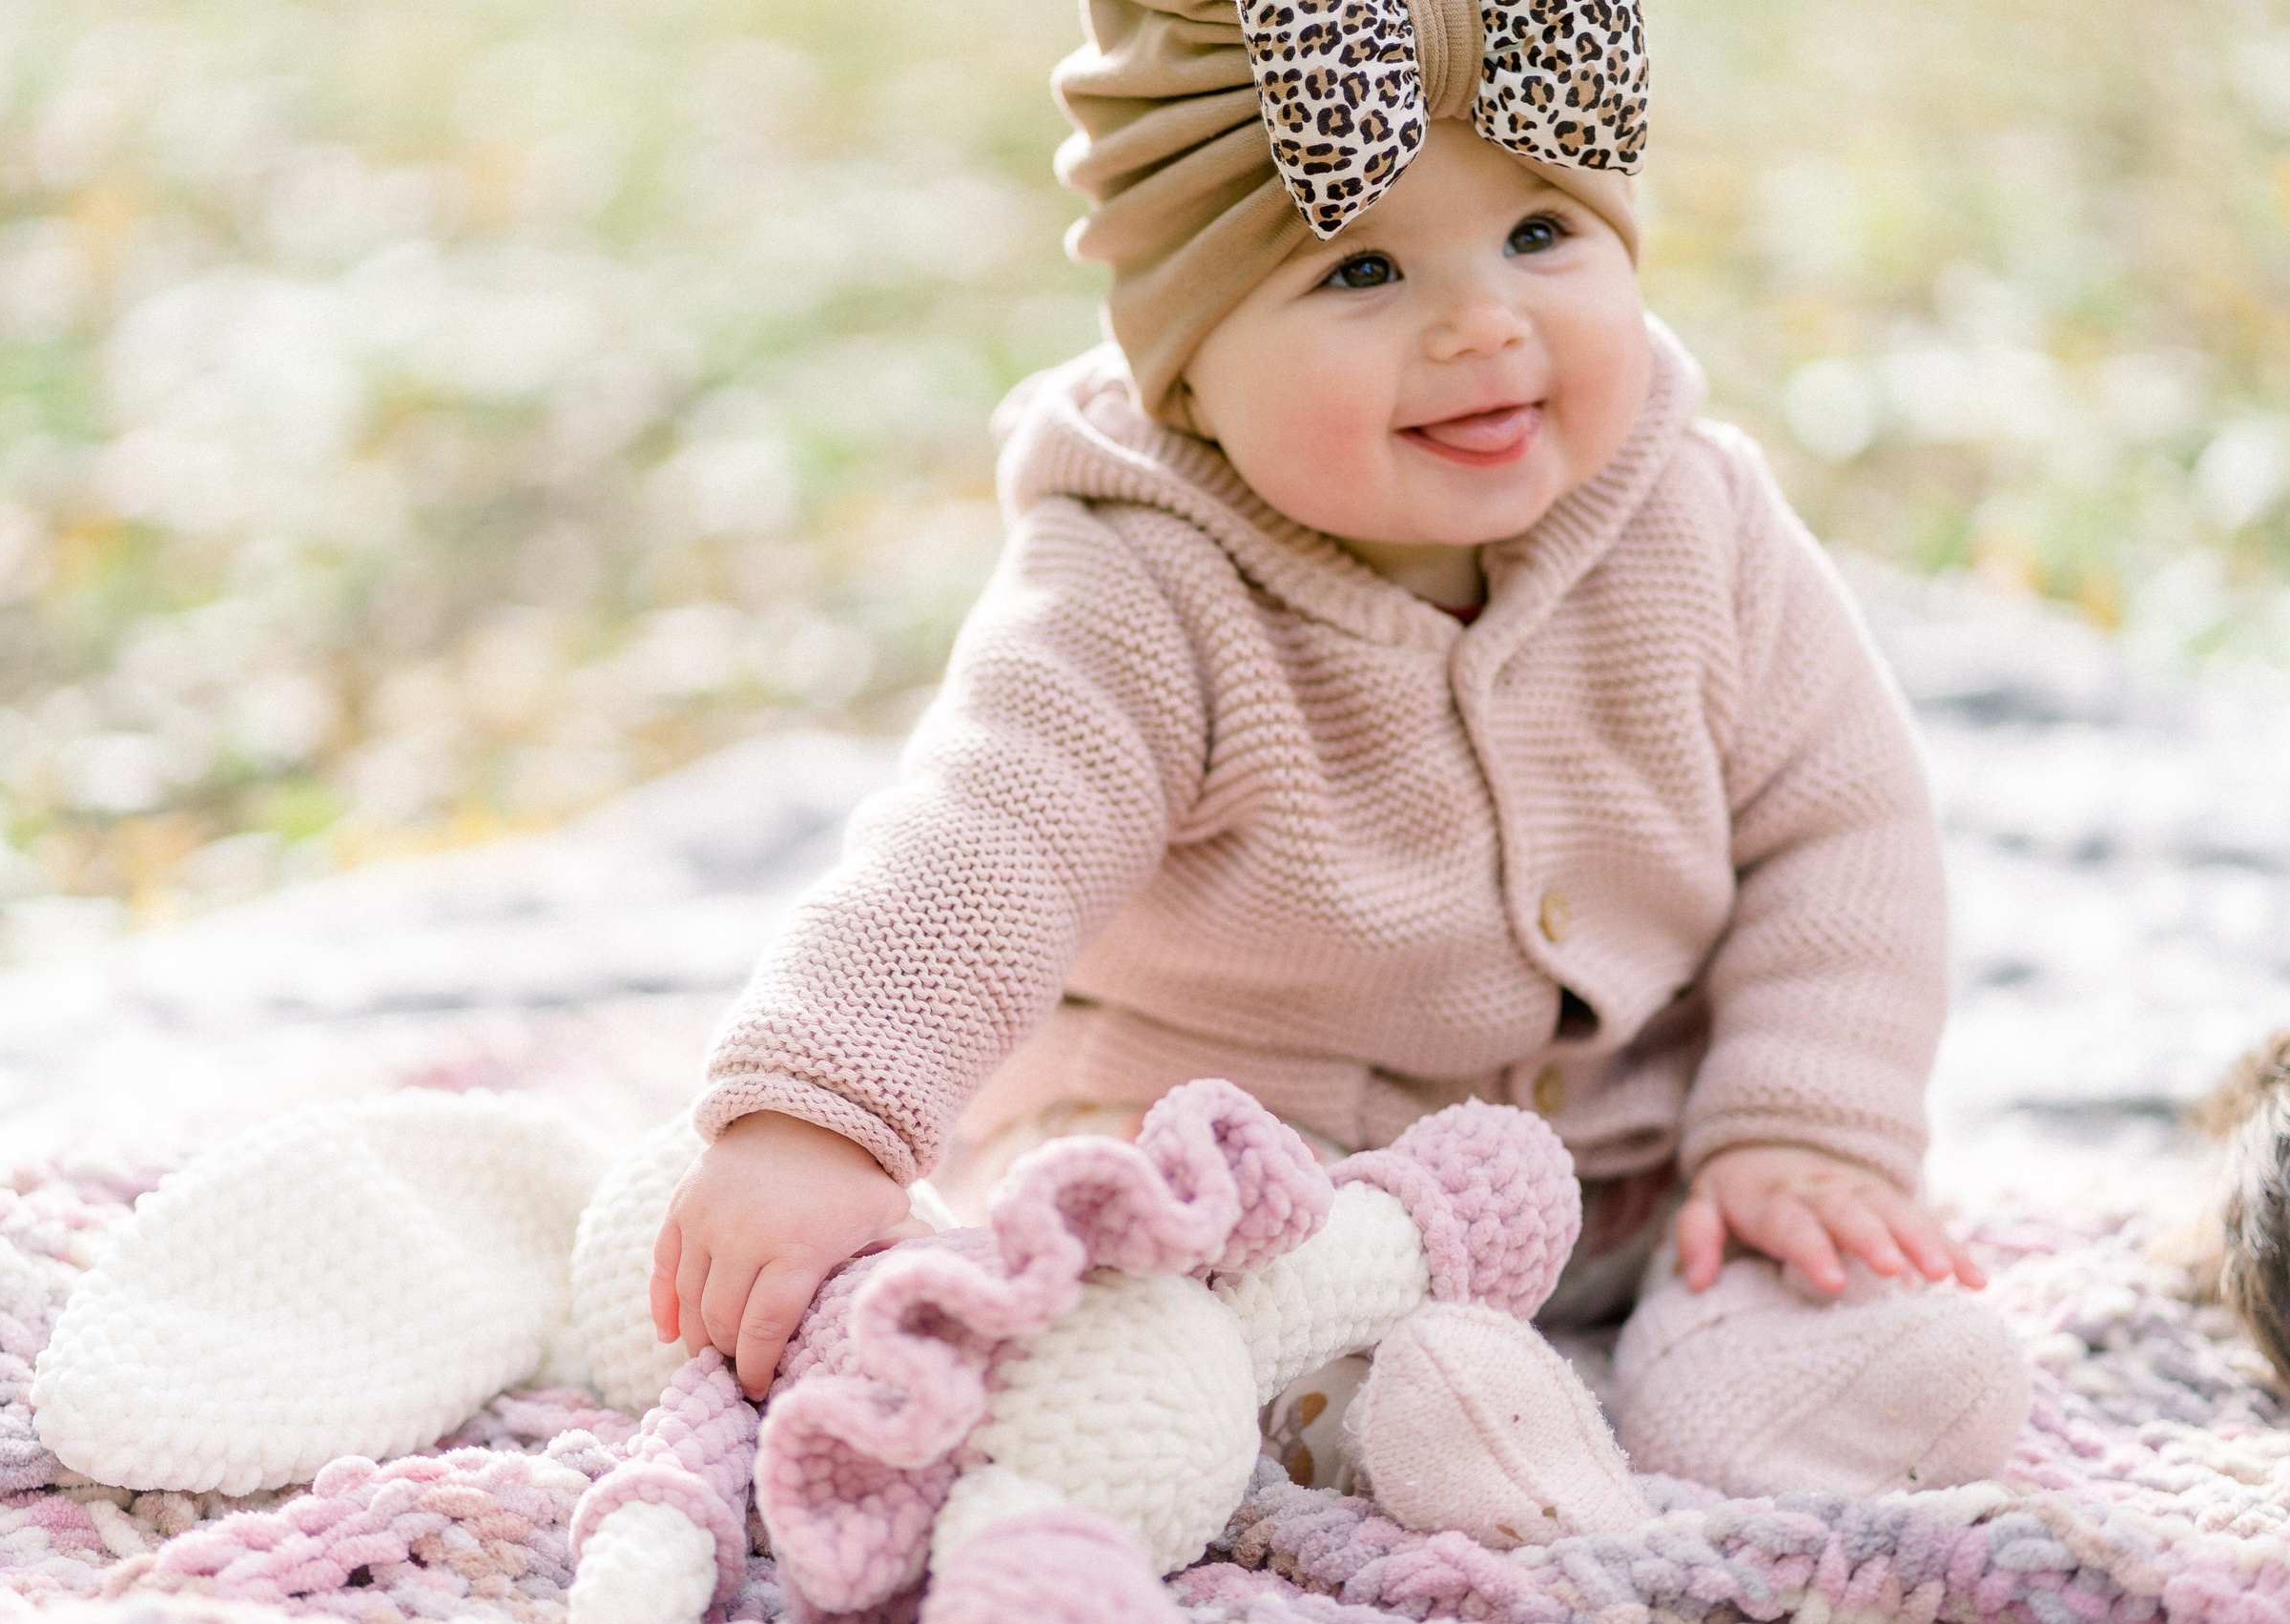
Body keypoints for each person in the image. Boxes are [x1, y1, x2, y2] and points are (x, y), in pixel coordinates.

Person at [650, 0, 2031, 1497]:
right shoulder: (1138, 586)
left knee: (1780, 1230)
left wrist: (1803, 1123)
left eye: (1543, 237)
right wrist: (816, 1112)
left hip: (1638, 1161)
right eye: (1364, 269)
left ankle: (1757, 1342)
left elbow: (1844, 834)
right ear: (1183, 356)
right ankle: (1371, 1412)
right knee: (1156, 1326)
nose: (1484, 323)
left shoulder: (1699, 519)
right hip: (1267, 1169)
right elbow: (983, 842)